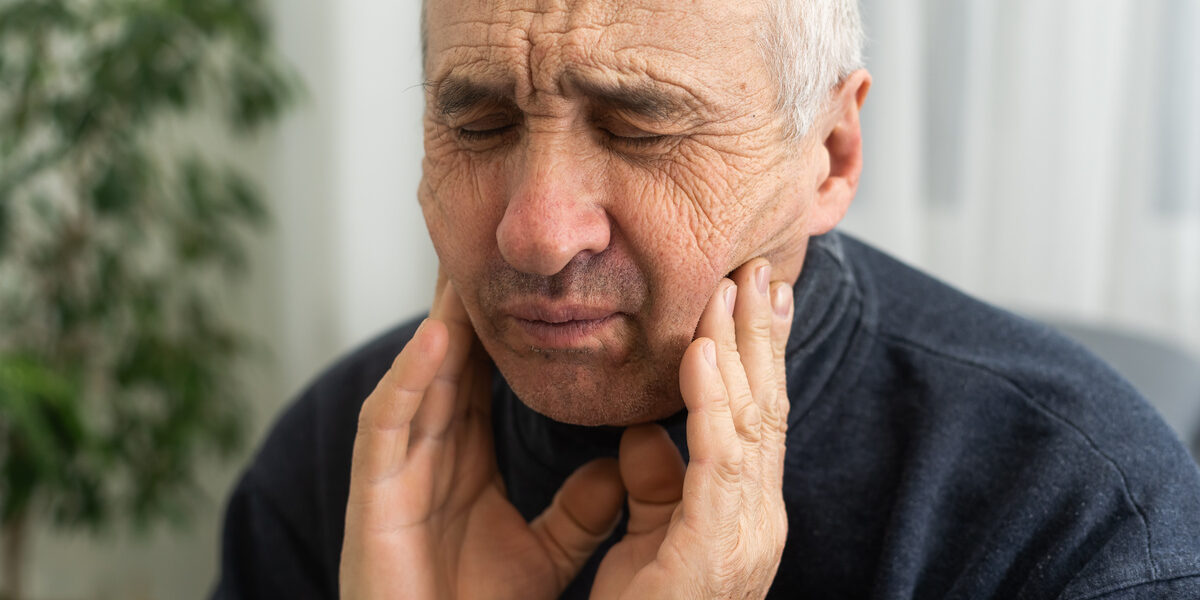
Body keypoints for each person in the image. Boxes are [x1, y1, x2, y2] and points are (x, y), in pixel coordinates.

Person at [212, 0, 1200, 598]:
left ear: (829, 157)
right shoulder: (342, 462)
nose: (537, 233)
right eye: (477, 124)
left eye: (639, 128)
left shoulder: (1079, 517)